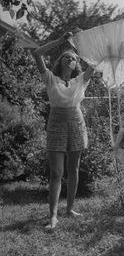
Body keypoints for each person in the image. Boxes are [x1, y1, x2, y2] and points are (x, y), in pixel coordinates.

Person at [33, 32, 95, 229]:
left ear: (77, 63)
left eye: (74, 58)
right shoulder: (50, 79)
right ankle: (53, 216)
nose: (70, 59)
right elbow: (36, 53)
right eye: (67, 57)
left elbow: (96, 61)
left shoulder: (81, 81)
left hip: (76, 122)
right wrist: (61, 41)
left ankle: (69, 209)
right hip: (57, 124)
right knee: (56, 172)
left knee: (73, 169)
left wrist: (80, 44)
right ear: (60, 61)